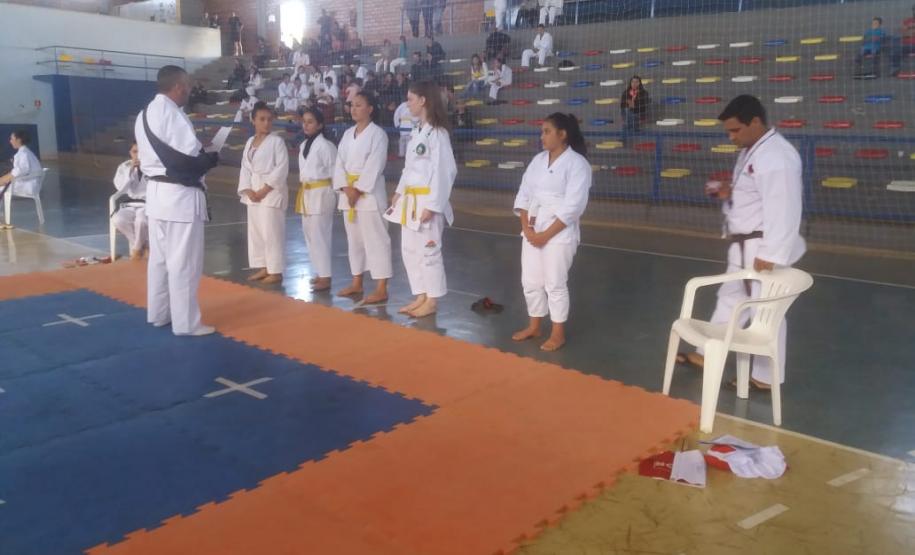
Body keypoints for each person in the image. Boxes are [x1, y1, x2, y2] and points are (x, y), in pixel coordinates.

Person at [680, 95, 806, 390]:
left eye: (735, 130)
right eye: (728, 131)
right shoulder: (754, 150)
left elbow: (784, 207)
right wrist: (730, 192)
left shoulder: (776, 157)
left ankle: (765, 377)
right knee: (730, 298)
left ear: (756, 122)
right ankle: (708, 353)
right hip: (745, 246)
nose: (731, 137)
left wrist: (772, 253)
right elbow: (755, 195)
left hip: (762, 247)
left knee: (766, 311)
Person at [134, 65, 218, 336]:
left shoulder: (144, 114)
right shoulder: (174, 115)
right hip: (180, 197)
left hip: (156, 196)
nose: (190, 90)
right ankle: (186, 323)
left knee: (159, 260)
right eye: (188, 86)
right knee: (184, 262)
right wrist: (211, 157)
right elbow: (191, 160)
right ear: (179, 87)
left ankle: (159, 314)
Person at [512, 113, 591, 351]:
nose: (542, 136)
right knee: (530, 281)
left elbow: (573, 206)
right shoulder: (537, 161)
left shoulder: (577, 164)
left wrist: (545, 235)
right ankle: (534, 326)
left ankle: (558, 333)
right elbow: (524, 194)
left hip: (559, 233)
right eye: (542, 131)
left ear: (562, 134)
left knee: (555, 283)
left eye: (547, 131)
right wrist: (526, 228)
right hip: (533, 228)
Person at [387, 81, 457, 317]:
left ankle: (432, 300)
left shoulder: (437, 133)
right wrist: (399, 192)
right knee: (410, 250)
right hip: (410, 201)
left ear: (423, 100)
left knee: (429, 251)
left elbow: (445, 171)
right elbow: (409, 169)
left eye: (410, 99)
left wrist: (433, 205)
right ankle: (421, 294)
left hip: (427, 201)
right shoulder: (417, 131)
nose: (407, 104)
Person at [333, 91, 392, 303]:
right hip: (348, 193)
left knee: (376, 240)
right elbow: (339, 163)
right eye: (352, 105)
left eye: (359, 105)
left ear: (370, 109)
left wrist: (357, 190)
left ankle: (381, 287)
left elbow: (375, 165)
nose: (354, 109)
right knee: (355, 241)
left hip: (369, 195)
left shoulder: (378, 134)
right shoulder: (347, 134)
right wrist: (346, 188)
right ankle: (356, 282)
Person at [238, 102, 289, 285]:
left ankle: (276, 271)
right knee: (257, 232)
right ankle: (264, 267)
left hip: (271, 193)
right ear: (253, 120)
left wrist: (264, 190)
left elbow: (281, 168)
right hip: (253, 192)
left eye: (269, 119)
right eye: (262, 119)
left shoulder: (277, 142)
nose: (266, 123)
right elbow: (245, 168)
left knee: (272, 233)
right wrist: (248, 189)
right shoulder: (249, 142)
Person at [296, 107, 338, 292]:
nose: (306, 125)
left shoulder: (326, 146)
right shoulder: (303, 145)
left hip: (322, 193)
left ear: (320, 125)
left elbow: (336, 172)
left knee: (320, 235)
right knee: (309, 234)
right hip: (307, 193)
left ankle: (326, 276)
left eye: (310, 122)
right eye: (304, 122)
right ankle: (319, 272)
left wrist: (338, 196)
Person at [111, 143, 148, 260]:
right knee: (118, 220)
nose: (137, 155)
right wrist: (130, 171)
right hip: (130, 203)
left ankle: (136, 249)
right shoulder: (124, 166)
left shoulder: (152, 167)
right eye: (134, 151)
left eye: (140, 151)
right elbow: (120, 188)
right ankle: (142, 246)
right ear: (130, 153)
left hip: (148, 203)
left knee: (141, 222)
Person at [0, 129, 42, 229]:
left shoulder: (23, 154)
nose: (10, 141)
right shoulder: (26, 152)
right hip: (30, 183)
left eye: (12, 139)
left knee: (0, 188)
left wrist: (3, 179)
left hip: (27, 185)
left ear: (18, 140)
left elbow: (20, 171)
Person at [891, 5, 915, 76]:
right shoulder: (907, 21)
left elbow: (907, 32)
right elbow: (903, 34)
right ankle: (895, 70)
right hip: (906, 45)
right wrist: (910, 31)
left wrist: (909, 29)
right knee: (895, 51)